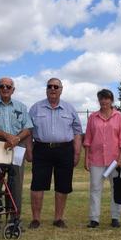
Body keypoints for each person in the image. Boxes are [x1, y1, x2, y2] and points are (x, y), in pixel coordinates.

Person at [27, 78, 83, 229]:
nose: (53, 89)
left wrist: (77, 152)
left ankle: (58, 218)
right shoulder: (35, 108)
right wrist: (29, 150)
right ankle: (36, 219)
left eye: (56, 87)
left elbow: (78, 132)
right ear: (46, 89)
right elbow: (28, 132)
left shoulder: (69, 108)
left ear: (61, 89)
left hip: (64, 150)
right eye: (50, 86)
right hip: (41, 149)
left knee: (62, 185)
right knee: (37, 185)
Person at [0, 77, 32, 228]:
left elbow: (28, 128)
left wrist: (15, 139)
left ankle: (15, 219)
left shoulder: (21, 106)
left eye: (8, 86)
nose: (5, 89)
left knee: (16, 183)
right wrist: (6, 136)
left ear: (13, 90)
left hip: (17, 146)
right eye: (2, 86)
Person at [83, 89, 121, 228]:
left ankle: (115, 217)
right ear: (99, 100)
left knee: (116, 188)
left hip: (116, 160)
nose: (104, 101)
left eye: (107, 98)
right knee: (95, 189)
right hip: (96, 159)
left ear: (111, 100)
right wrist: (86, 158)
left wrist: (120, 159)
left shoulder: (119, 116)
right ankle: (94, 218)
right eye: (101, 98)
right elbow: (88, 139)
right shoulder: (93, 117)